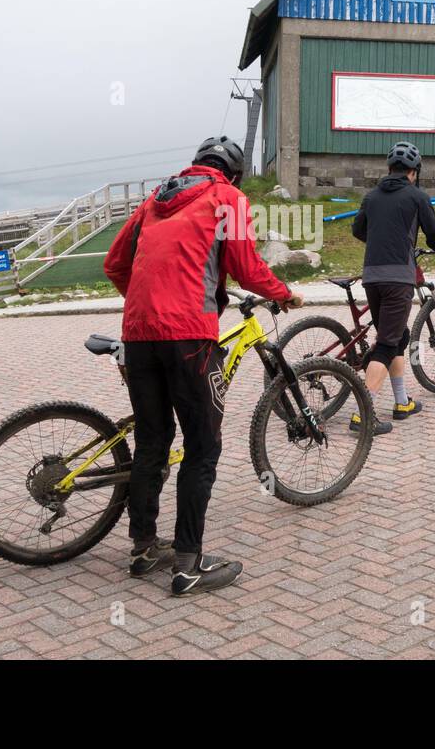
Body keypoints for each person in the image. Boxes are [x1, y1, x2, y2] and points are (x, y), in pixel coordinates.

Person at [104, 137, 303, 596]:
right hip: (189, 338)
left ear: (196, 166)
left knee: (152, 442)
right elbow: (248, 268)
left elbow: (116, 264)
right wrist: (283, 293)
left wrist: (147, 305)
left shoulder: (155, 199)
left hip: (139, 335)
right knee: (202, 447)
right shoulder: (227, 197)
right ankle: (188, 565)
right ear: (232, 174)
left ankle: (143, 550)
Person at [351, 142, 435, 434]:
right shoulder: (417, 197)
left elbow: (358, 230)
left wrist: (383, 240)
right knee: (386, 344)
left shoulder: (371, 197)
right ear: (414, 172)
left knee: (398, 336)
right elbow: (434, 235)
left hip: (371, 277)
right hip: (398, 279)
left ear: (389, 170)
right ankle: (363, 414)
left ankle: (401, 402)